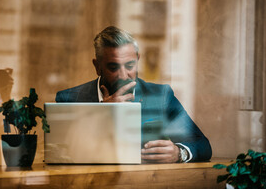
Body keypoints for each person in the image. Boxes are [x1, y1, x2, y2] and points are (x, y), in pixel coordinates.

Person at [55, 26, 212, 163]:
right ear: (97, 66)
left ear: (138, 60)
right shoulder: (68, 99)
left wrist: (179, 153)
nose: (123, 75)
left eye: (130, 65)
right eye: (113, 67)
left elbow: (202, 144)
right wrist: (101, 113)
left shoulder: (161, 96)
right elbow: (59, 154)